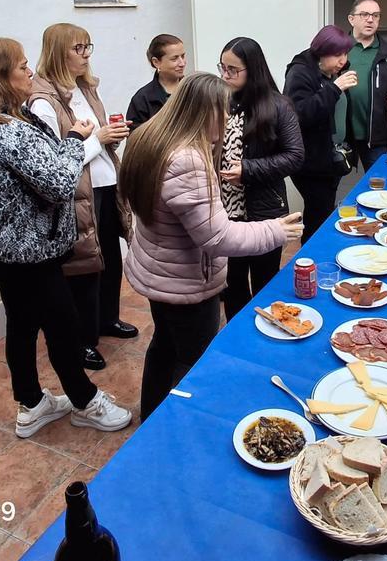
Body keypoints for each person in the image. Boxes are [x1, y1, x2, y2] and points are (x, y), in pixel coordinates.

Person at [0, 38, 132, 440]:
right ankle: (85, 402)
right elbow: (57, 182)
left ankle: (31, 404)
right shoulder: (7, 134)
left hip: (4, 250)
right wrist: (76, 141)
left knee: (21, 325)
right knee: (63, 327)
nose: (30, 72)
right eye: (21, 67)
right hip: (28, 255)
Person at [118, 73, 302, 420]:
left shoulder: (150, 138)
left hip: (160, 273)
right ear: (205, 112)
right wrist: (275, 230)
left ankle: (152, 418)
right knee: (192, 362)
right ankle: (176, 429)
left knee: (164, 347)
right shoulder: (187, 160)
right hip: (184, 283)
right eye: (225, 110)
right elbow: (218, 238)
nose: (230, 118)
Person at [31, 23, 134, 373]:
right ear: (59, 51)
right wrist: (98, 139)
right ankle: (83, 341)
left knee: (108, 257)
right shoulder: (42, 101)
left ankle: (108, 320)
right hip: (76, 193)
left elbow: (96, 142)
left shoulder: (85, 88)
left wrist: (112, 138)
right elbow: (55, 158)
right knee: (84, 267)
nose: (86, 55)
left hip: (104, 184)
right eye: (79, 48)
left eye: (88, 46)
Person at [217, 37, 304, 319]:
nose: (225, 75)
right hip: (226, 213)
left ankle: (262, 337)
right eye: (223, 68)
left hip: (265, 210)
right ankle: (235, 337)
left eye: (233, 70)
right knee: (232, 284)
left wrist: (247, 170)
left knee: (265, 283)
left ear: (252, 69)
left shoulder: (278, 105)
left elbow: (295, 156)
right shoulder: (221, 101)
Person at [285, 25, 358, 242]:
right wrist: (335, 89)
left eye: (345, 54)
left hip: (329, 158)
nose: (343, 60)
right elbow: (301, 114)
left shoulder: (331, 71)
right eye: (337, 54)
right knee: (318, 217)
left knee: (323, 213)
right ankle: (309, 263)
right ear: (320, 51)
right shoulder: (300, 72)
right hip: (311, 162)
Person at [344, 0, 387, 169]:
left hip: (375, 135)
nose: (370, 19)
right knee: (329, 186)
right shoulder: (338, 49)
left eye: (375, 15)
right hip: (341, 133)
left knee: (378, 183)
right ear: (351, 19)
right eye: (364, 14)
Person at [126, 34, 186, 128]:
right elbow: (135, 138)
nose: (182, 63)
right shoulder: (142, 99)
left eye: (183, 56)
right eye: (174, 58)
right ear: (156, 62)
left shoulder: (195, 90)